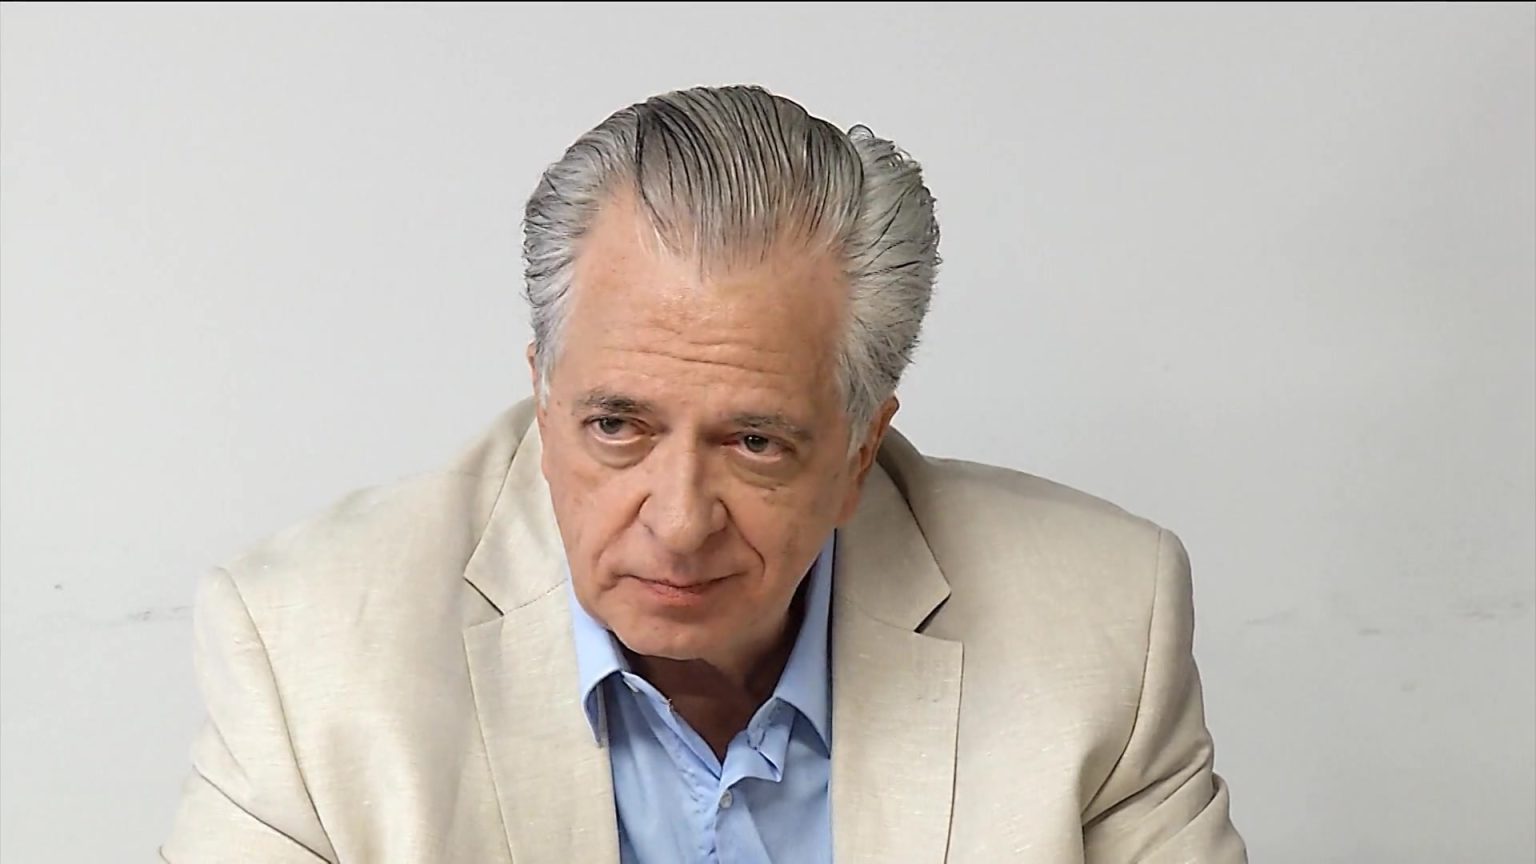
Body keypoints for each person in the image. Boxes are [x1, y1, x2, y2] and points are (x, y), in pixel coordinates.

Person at [161, 84, 1246, 863]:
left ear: (859, 449)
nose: (679, 523)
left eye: (756, 443)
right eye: (617, 426)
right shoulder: (309, 651)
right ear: (544, 398)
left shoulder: (1098, 628)